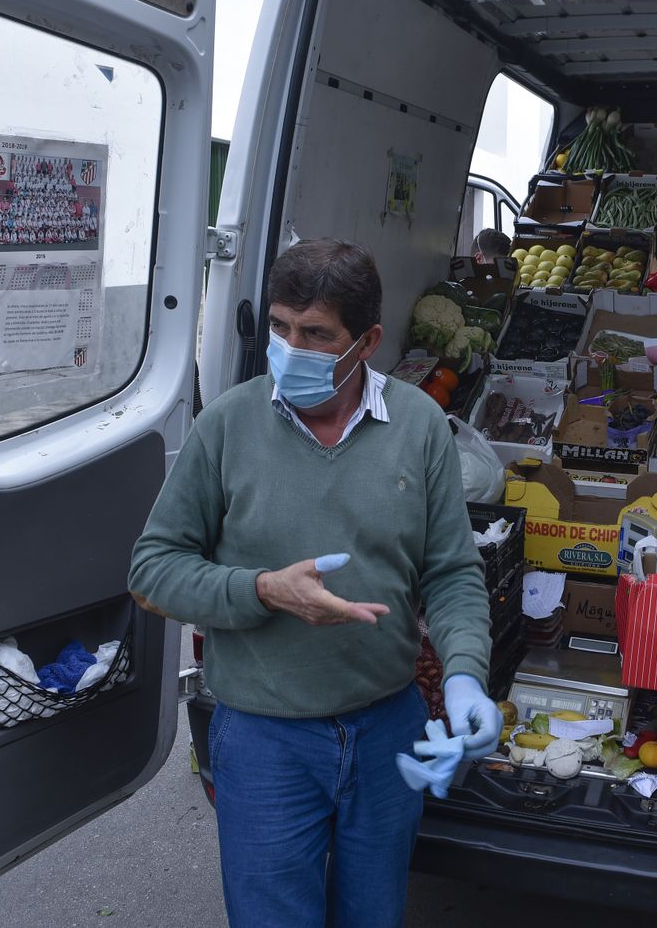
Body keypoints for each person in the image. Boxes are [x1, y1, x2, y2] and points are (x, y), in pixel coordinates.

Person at [129, 239, 498, 928]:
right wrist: (264, 590)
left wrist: (464, 680)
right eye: (280, 327)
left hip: (387, 729)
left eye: (316, 334)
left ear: (368, 342)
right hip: (265, 740)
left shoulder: (419, 425)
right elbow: (152, 572)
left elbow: (451, 572)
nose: (290, 349)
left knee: (374, 916)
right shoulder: (227, 426)